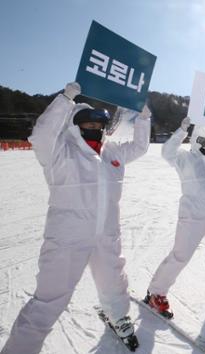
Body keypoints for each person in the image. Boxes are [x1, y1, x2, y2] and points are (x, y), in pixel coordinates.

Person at [1, 82, 150, 354]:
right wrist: (65, 101)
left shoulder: (112, 153)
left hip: (106, 233)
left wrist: (144, 118)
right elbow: (41, 136)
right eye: (87, 124)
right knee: (49, 299)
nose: (95, 129)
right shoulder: (60, 153)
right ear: (73, 124)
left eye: (98, 125)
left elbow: (140, 147)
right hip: (68, 238)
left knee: (113, 280)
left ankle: (117, 316)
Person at [144, 118, 205, 318]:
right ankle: (156, 292)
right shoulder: (185, 158)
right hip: (192, 215)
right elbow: (167, 152)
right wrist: (181, 130)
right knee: (181, 255)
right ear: (196, 140)